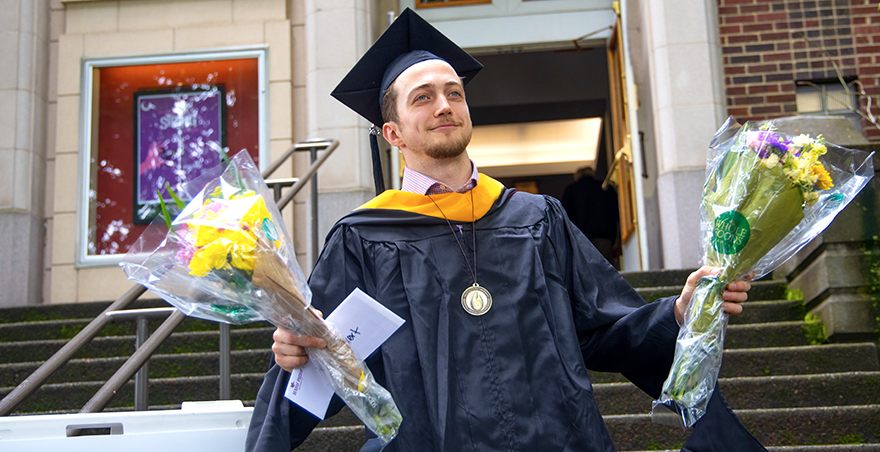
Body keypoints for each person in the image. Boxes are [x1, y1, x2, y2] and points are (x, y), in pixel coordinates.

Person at [247, 8, 765, 452]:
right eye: (422, 98)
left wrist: (679, 310)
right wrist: (297, 354)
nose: (445, 105)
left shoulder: (537, 219)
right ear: (392, 133)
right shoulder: (365, 238)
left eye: (453, 92)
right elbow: (332, 360)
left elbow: (606, 329)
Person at [561, 167, 620, 267]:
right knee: (605, 269)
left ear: (577, 177)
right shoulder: (605, 188)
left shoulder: (571, 190)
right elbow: (616, 212)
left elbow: (563, 215)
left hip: (579, 238)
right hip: (603, 237)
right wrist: (617, 241)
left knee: (584, 269)